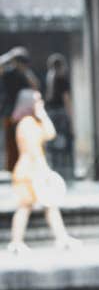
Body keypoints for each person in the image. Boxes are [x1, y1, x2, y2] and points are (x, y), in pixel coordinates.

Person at [8, 89, 78, 253]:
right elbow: (33, 151)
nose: (41, 104)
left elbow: (50, 133)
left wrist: (42, 113)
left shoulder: (33, 121)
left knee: (50, 205)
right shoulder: (27, 123)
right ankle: (16, 242)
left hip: (34, 171)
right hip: (28, 172)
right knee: (24, 207)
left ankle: (62, 239)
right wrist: (45, 172)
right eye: (38, 101)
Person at [0, 46, 39, 173]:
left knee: (22, 141)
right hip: (10, 112)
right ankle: (13, 168)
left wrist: (25, 70)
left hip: (22, 113)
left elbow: (36, 86)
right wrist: (10, 56)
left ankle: (22, 167)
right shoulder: (8, 72)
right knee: (11, 142)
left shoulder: (25, 74)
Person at [44, 53, 74, 182]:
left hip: (51, 113)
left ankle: (55, 169)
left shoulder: (50, 78)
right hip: (60, 113)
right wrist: (71, 117)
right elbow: (66, 99)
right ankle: (63, 172)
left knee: (53, 142)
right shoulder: (61, 79)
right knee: (62, 141)